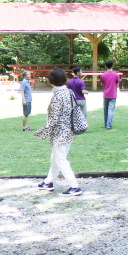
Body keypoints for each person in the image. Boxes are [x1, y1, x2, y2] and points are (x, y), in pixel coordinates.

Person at [35, 68, 82, 196]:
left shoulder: (57, 96)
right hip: (69, 131)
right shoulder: (69, 92)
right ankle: (48, 182)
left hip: (59, 134)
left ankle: (74, 186)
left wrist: (41, 132)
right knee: (55, 158)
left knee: (61, 160)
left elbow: (53, 119)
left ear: (51, 81)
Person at [99, 60, 121, 129]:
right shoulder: (116, 75)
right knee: (111, 110)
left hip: (105, 94)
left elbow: (102, 84)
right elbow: (117, 84)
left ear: (105, 66)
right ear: (113, 66)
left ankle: (106, 124)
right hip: (113, 94)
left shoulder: (103, 75)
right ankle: (109, 125)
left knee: (105, 109)